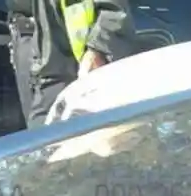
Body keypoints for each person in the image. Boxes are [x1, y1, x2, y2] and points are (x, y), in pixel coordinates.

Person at [9, 0, 139, 127]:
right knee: (38, 137)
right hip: (31, 46)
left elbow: (114, 11)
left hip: (75, 65)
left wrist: (98, 49)